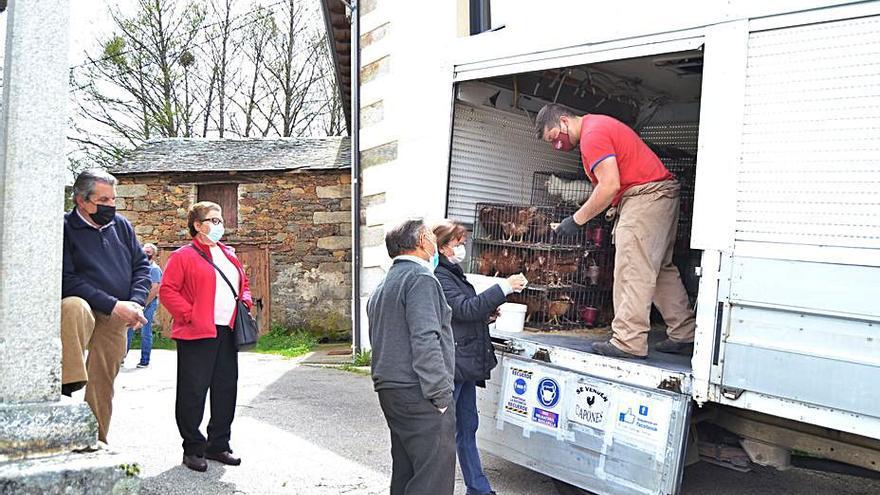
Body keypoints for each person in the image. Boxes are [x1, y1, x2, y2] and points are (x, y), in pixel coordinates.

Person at [535, 104, 696, 359]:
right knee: (659, 269)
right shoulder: (598, 126)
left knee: (632, 269)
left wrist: (575, 221)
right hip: (658, 195)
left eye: (555, 138)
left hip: (645, 198)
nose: (558, 145)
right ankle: (684, 334)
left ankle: (628, 341)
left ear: (564, 121)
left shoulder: (592, 135)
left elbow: (609, 185)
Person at [432, 220, 526, 495]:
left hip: (466, 363)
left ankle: (478, 490)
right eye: (458, 243)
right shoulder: (440, 275)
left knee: (468, 427)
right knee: (447, 433)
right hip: (457, 363)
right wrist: (503, 288)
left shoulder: (453, 272)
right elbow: (463, 309)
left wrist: (487, 314)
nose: (462, 248)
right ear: (442, 246)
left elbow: (467, 313)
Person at [159, 201, 252, 472]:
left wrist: (245, 302)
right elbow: (168, 291)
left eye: (220, 220)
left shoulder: (229, 254)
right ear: (197, 226)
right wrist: (189, 314)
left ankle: (218, 445)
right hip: (196, 333)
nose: (218, 225)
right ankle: (193, 448)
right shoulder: (183, 256)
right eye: (212, 220)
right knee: (193, 392)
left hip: (227, 330)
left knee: (226, 389)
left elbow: (242, 285)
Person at [366, 219, 456, 495]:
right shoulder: (420, 278)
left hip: (391, 388)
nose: (434, 242)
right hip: (419, 391)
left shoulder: (383, 285)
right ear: (420, 242)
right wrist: (440, 395)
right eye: (430, 235)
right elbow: (425, 338)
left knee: (406, 471)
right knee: (433, 477)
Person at [61, 168, 150, 443]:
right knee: (74, 307)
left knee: (103, 383)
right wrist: (113, 304)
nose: (110, 206)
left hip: (117, 312)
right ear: (81, 201)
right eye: (103, 200)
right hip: (86, 308)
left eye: (113, 200)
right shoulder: (63, 227)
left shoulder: (121, 225)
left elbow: (141, 267)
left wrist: (134, 303)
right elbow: (66, 279)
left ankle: (93, 441)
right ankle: (66, 384)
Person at [126, 243, 162, 368]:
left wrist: (144, 304)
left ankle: (144, 360)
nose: (145, 253)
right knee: (128, 329)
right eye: (144, 251)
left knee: (145, 332)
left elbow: (154, 288)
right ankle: (121, 357)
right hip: (135, 302)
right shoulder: (138, 267)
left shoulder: (155, 269)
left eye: (148, 251)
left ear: (154, 254)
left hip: (148, 304)